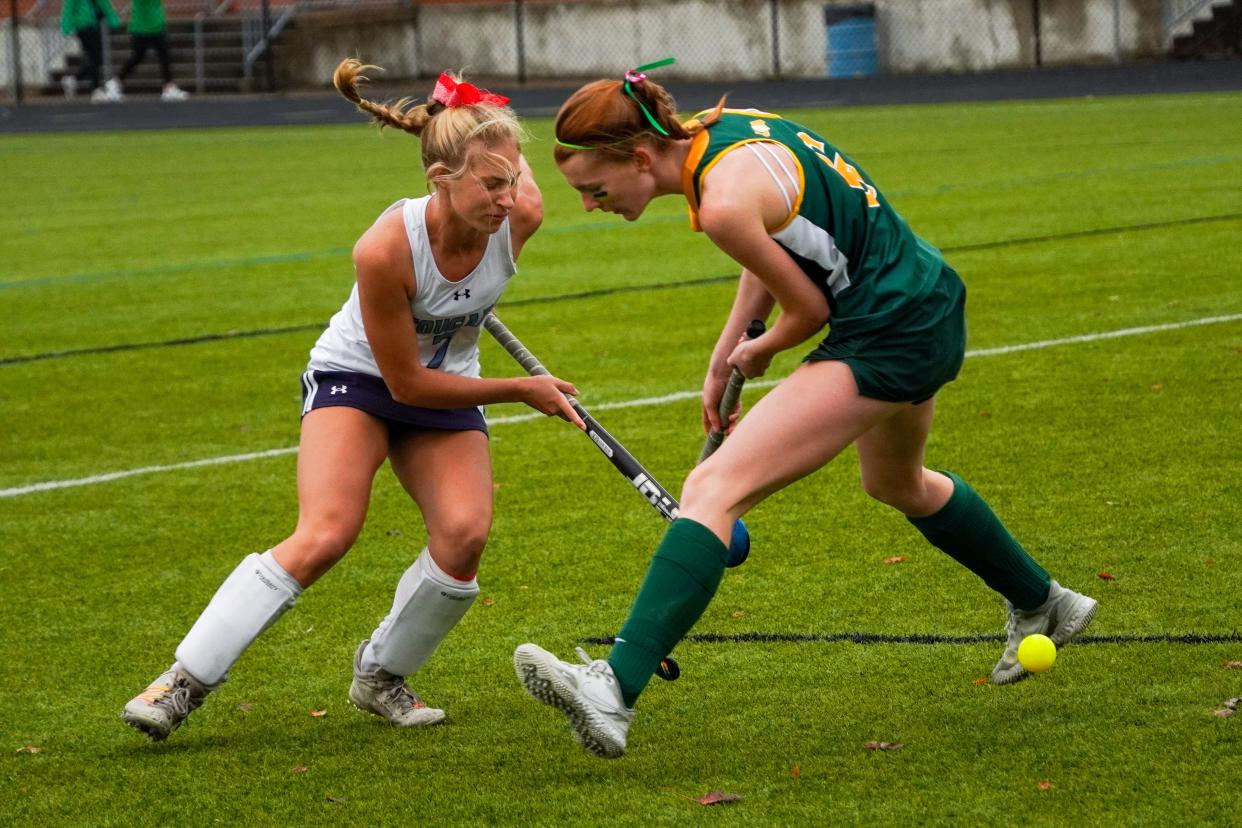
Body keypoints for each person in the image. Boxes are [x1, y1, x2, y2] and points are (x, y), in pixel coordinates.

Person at [513, 59, 1099, 758]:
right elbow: (774, 247)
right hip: (927, 297)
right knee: (895, 483)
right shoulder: (717, 133)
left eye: (595, 188)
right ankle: (1045, 601)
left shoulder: (724, 202)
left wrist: (759, 354)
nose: (590, 203)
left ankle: (614, 691)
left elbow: (807, 308)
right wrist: (725, 348)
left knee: (713, 487)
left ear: (641, 157)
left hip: (886, 330)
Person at [121, 59, 583, 741]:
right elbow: (405, 386)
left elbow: (502, 159)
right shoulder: (385, 251)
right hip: (363, 380)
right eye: (491, 184)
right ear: (438, 181)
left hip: (447, 378)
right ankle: (181, 683)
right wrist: (521, 388)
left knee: (464, 537)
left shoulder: (520, 218)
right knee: (328, 532)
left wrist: (473, 117)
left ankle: (380, 676)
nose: (508, 198)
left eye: (513, 179)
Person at [104, 0, 190, 102]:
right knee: (138, 57)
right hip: (142, 26)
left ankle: (169, 87)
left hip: (155, 25)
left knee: (164, 56)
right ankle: (115, 82)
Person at [60, 0, 120, 102]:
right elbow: (103, 4)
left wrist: (67, 25)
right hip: (88, 23)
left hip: (85, 23)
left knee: (94, 57)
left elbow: (70, 5)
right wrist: (112, 19)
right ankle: (95, 90)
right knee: (95, 57)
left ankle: (74, 80)